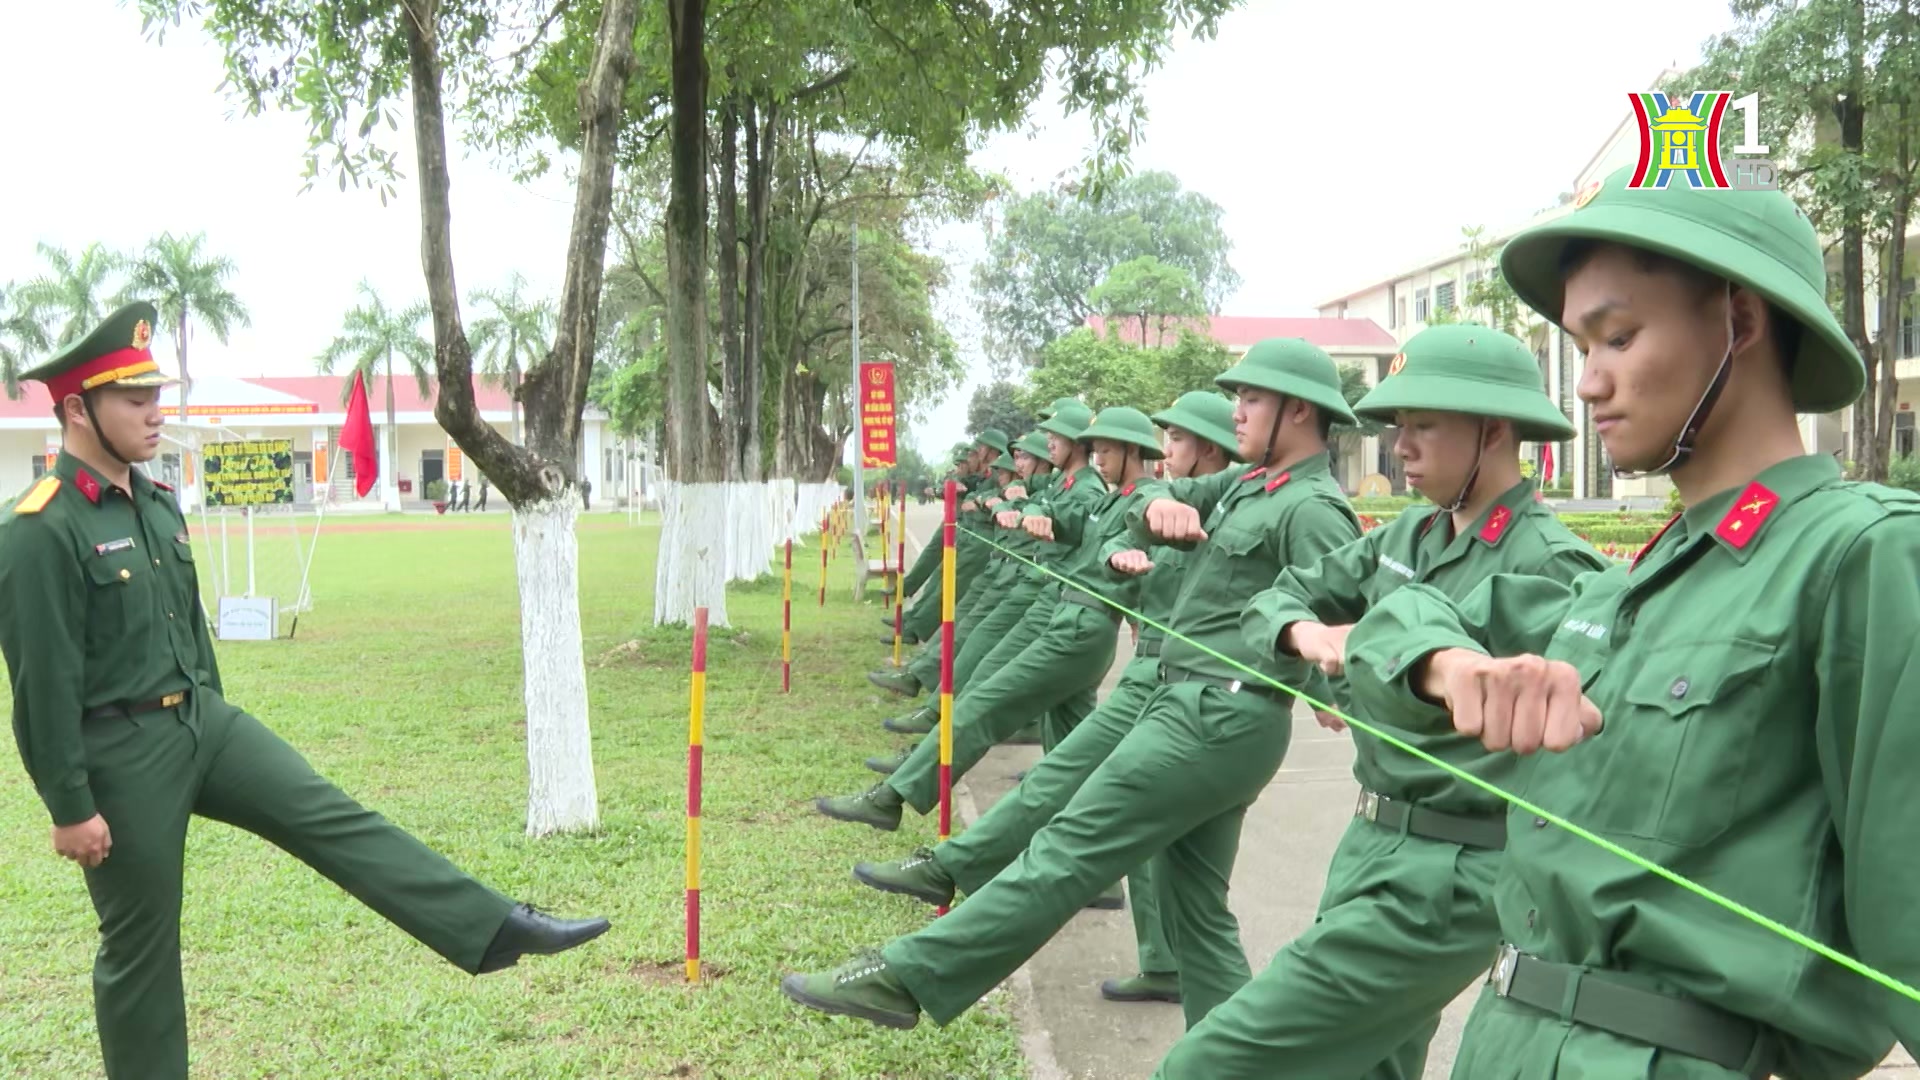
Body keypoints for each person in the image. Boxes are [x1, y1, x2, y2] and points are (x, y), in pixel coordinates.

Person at [1338, 168, 1920, 1077]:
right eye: (1581, 346)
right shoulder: (1617, 590)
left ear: (1738, 321)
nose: (1587, 385)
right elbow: (1395, 619)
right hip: (1504, 1041)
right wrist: (1449, 667)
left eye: (1619, 336)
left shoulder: (1863, 556)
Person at [0, 303, 611, 1080]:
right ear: (77, 409)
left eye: (156, 393)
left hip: (202, 724)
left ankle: (492, 927)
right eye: (135, 399)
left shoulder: (155, 505)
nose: (155, 412)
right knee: (141, 953)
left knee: (333, 816)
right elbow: (40, 684)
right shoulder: (38, 529)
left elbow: (186, 631)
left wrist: (210, 714)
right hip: (119, 757)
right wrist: (69, 807)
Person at [780, 338, 1361, 1031]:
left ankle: (908, 975)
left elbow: (1348, 617)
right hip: (1199, 708)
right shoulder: (1248, 485)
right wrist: (1155, 515)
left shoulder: (1315, 507)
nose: (1238, 412)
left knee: (1068, 844)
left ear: (1298, 411)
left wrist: (1337, 692)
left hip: (1218, 714)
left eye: (1252, 399)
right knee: (1196, 913)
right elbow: (1151, 499)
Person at [1149, 322, 1607, 1079]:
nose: (1402, 445)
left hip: (1454, 868)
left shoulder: (1550, 562)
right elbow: (1278, 597)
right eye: (1398, 426)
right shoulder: (1414, 533)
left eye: (1424, 425)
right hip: (1371, 842)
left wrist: (1383, 658)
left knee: (1210, 1063)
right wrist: (1307, 635)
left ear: (1493, 431)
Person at [850, 389, 1244, 1007]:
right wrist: (1090, 542)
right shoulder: (1146, 498)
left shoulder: (1229, 502)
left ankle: (928, 838)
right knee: (1149, 835)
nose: (1088, 456)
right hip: (1137, 658)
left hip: (1143, 663)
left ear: (1206, 448)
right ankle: (1164, 961)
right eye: (1084, 446)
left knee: (1046, 770)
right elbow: (1102, 539)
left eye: (1105, 447)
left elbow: (1294, 586)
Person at [816, 403, 1123, 831]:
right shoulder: (1068, 484)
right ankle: (1088, 850)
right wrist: (1023, 505)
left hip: (1057, 607)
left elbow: (1062, 519)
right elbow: (1041, 507)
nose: (1046, 441)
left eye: (1055, 436)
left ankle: (897, 792)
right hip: (1056, 606)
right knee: (1067, 737)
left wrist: (1033, 511)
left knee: (983, 695)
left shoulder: (1088, 491)